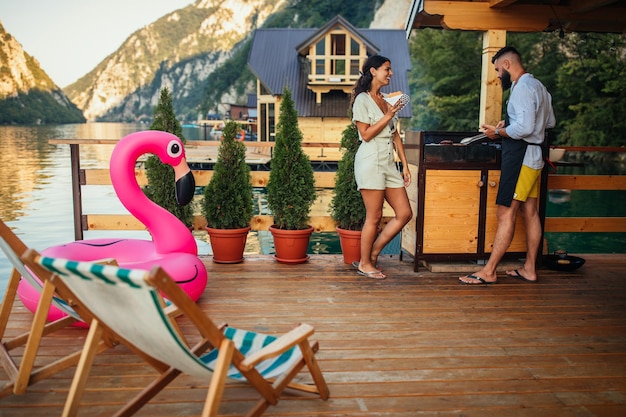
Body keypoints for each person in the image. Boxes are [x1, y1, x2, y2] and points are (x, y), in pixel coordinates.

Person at [459, 46, 556, 285]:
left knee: (506, 212)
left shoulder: (522, 88)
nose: (497, 75)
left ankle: (489, 271)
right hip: (535, 157)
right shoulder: (539, 87)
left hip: (522, 159)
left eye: (497, 70)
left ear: (507, 65)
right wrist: (510, 123)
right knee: (530, 212)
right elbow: (549, 121)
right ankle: (530, 269)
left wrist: (499, 131)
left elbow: (523, 129)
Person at [351, 55, 412, 280]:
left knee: (404, 213)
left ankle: (374, 252)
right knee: (374, 216)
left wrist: (404, 166)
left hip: (388, 164)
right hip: (370, 161)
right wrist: (388, 115)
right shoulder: (362, 101)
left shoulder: (387, 99)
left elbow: (395, 135)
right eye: (387, 69)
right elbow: (365, 135)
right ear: (373, 71)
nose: (391, 73)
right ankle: (365, 263)